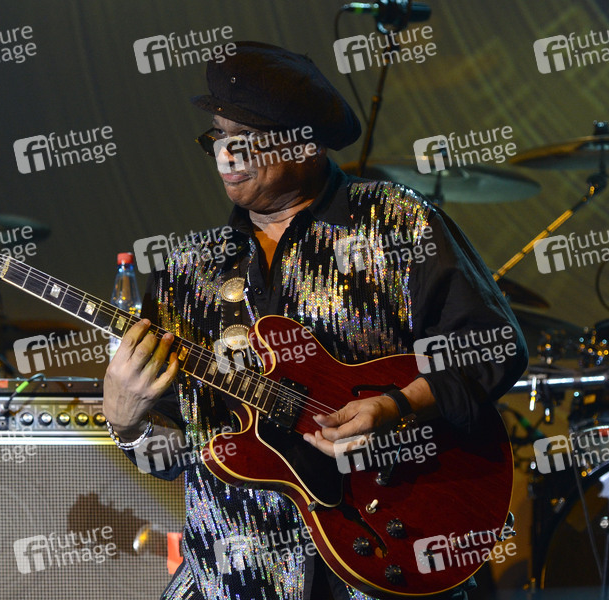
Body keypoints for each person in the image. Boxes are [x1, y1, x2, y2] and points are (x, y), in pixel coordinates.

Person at [103, 41, 527, 600]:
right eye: (218, 137)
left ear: (306, 145)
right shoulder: (187, 270)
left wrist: (396, 406)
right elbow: (178, 456)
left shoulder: (395, 223)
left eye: (245, 138)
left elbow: (491, 346)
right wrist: (129, 423)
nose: (226, 155)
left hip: (384, 557)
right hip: (234, 577)